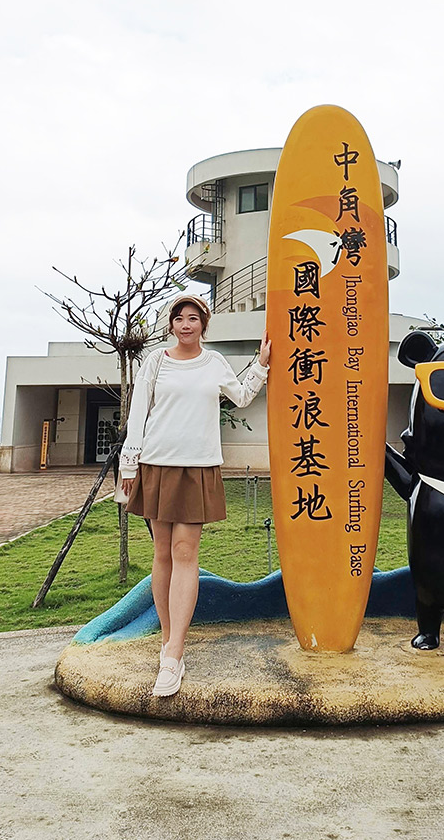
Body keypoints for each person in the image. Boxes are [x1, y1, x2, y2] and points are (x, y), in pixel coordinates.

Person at [120, 295, 270, 697]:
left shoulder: (215, 362)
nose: (186, 324)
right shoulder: (155, 362)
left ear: (204, 324)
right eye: (179, 318)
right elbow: (138, 415)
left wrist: (261, 364)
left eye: (193, 318)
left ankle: (174, 651)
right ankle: (171, 645)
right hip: (156, 463)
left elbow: (241, 397)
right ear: (171, 324)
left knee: (186, 552)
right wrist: (129, 466)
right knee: (163, 553)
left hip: (199, 465)